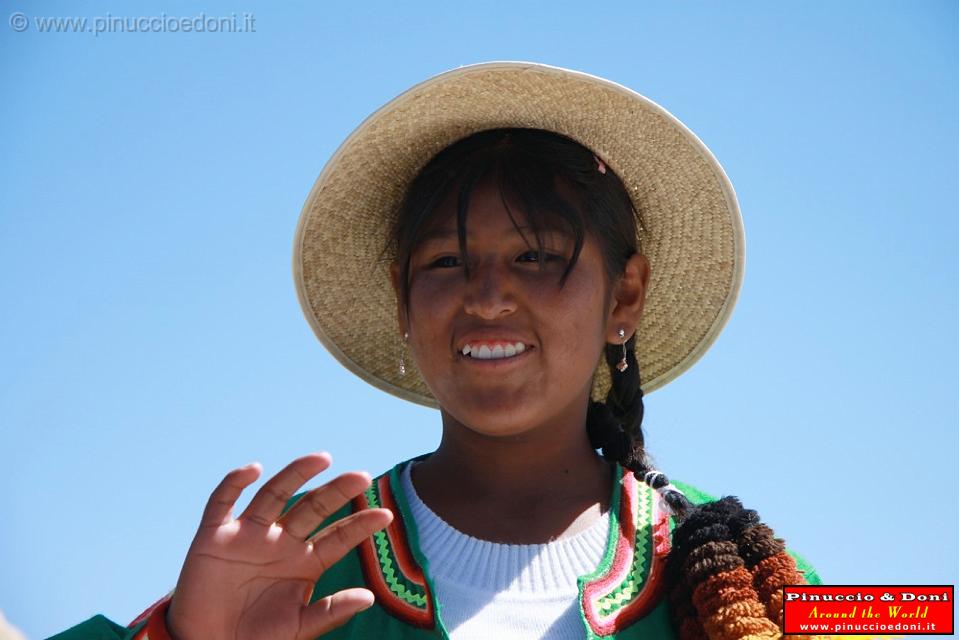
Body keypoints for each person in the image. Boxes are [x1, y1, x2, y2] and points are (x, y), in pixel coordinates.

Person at [52, 62, 821, 640]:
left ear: (623, 296)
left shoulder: (741, 576)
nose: (486, 298)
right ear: (400, 299)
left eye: (535, 258)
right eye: (447, 264)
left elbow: (910, 617)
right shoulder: (299, 563)